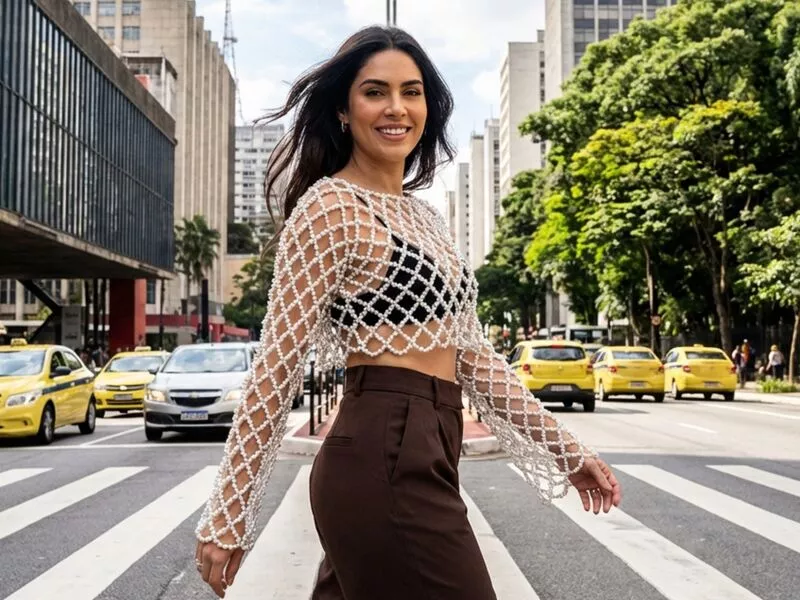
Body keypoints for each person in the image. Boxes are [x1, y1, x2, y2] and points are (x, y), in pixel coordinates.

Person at [194, 26, 622, 600]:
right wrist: (229, 513)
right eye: (375, 92)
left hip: (429, 445)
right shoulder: (330, 208)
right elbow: (276, 369)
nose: (396, 108)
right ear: (344, 110)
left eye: (411, 92)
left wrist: (569, 451)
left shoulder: (425, 218)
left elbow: (473, 358)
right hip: (382, 449)